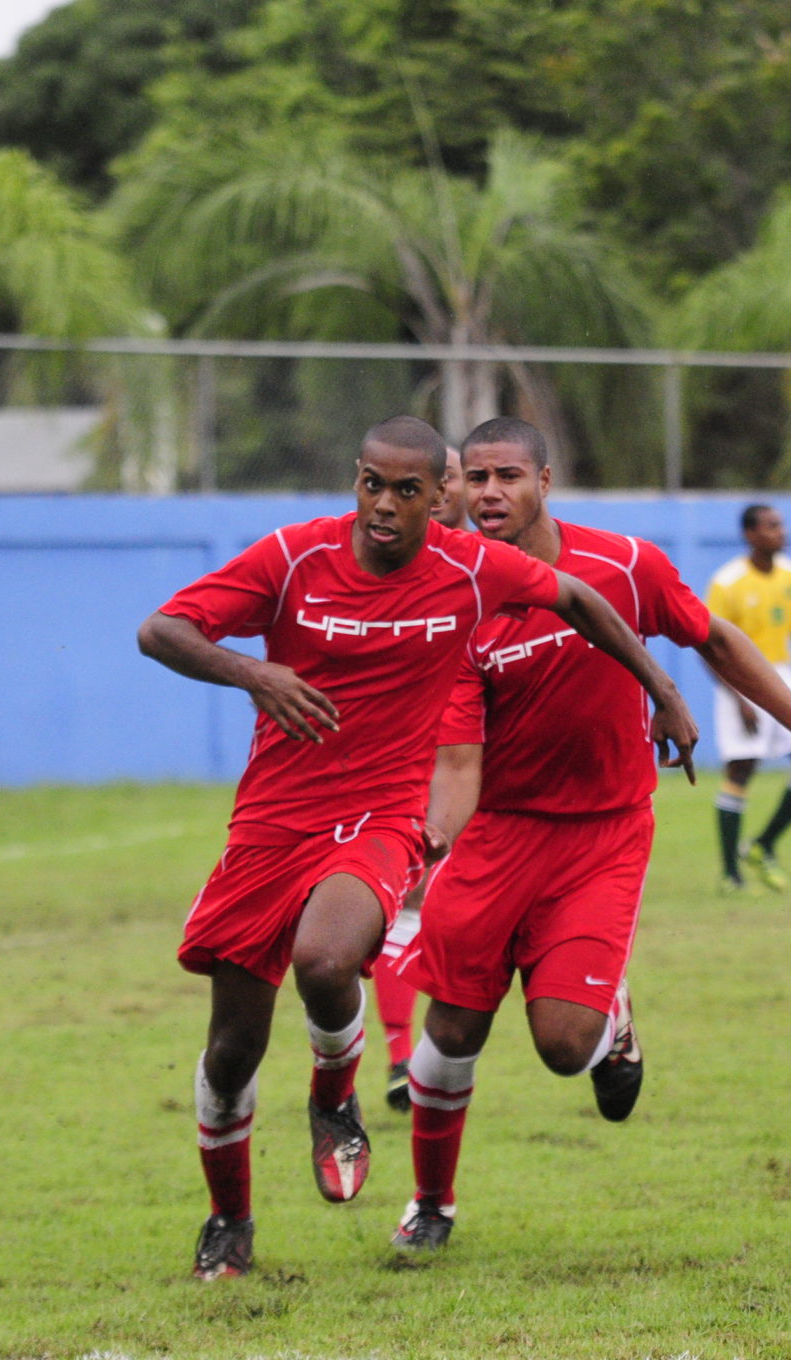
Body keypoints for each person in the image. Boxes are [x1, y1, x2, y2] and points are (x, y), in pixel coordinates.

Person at [138, 415, 700, 1280]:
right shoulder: (291, 558)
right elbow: (162, 631)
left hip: (381, 814)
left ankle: (335, 1091)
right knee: (230, 1050)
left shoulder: (469, 568)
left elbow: (582, 600)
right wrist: (255, 672)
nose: (387, 506)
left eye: (409, 490)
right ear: (355, 480)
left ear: (436, 498)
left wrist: (660, 687)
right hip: (270, 823)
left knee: (325, 962)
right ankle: (230, 1221)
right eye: (373, 485)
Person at [390, 418, 791, 1251]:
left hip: (603, 832)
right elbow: (455, 761)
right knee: (452, 1029)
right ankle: (431, 1203)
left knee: (564, 1048)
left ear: (546, 482)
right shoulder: (456, 599)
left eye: (508, 476)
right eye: (476, 477)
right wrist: (428, 843)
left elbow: (715, 639)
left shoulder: (627, 565)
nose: (490, 493)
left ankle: (610, 1012)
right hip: (497, 834)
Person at [370, 443, 467, 1113]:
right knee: (407, 897)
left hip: (498, 764)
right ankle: (403, 1057)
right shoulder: (388, 561)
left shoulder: (499, 565)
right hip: (421, 756)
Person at [706, 505, 791, 892]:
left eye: (781, 525)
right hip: (740, 675)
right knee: (742, 769)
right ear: (750, 534)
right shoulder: (728, 582)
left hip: (782, 674)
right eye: (771, 526)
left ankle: (763, 845)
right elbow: (709, 645)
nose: (781, 532)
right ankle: (731, 874)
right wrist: (739, 698)